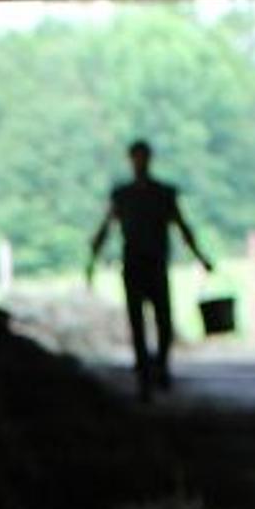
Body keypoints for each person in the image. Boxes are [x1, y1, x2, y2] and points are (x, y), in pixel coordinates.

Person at [85, 139, 213, 399]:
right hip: (135, 265)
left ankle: (160, 367)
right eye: (137, 158)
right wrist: (91, 260)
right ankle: (146, 373)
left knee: (162, 320)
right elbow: (106, 227)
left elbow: (181, 226)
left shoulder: (160, 194)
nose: (140, 163)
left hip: (154, 264)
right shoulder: (125, 196)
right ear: (132, 160)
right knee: (138, 322)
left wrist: (201, 257)